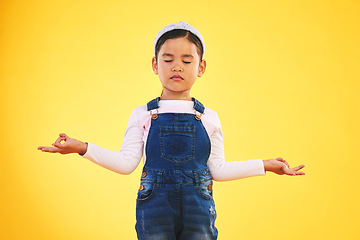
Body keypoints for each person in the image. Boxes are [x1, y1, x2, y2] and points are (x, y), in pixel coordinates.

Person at [38, 21, 305, 240]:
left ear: (201, 68)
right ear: (155, 65)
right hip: (154, 207)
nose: (177, 66)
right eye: (168, 59)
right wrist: (81, 148)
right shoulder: (143, 114)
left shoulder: (209, 118)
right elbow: (126, 164)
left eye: (187, 61)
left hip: (198, 207)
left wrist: (266, 165)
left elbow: (218, 170)